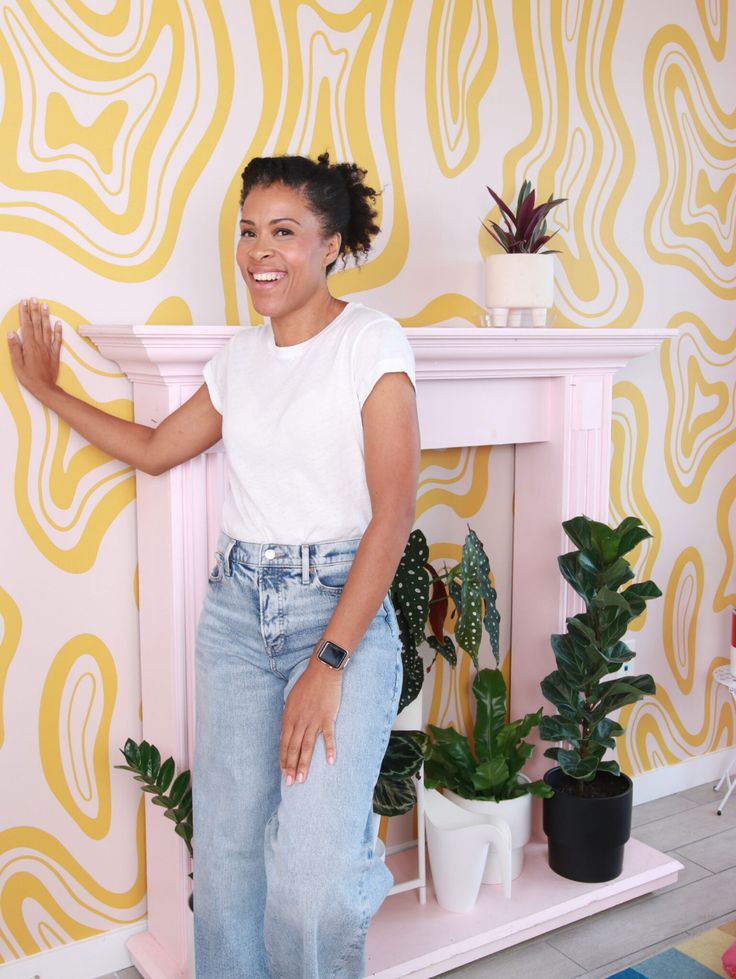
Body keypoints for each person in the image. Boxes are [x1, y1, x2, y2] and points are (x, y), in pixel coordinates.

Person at [8, 152, 421, 978]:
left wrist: (328, 659)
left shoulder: (370, 343)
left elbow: (393, 516)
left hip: (337, 612)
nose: (258, 250)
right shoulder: (240, 357)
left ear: (331, 244)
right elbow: (160, 449)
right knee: (228, 865)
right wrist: (49, 391)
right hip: (236, 618)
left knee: (315, 884)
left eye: (284, 231)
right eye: (247, 230)